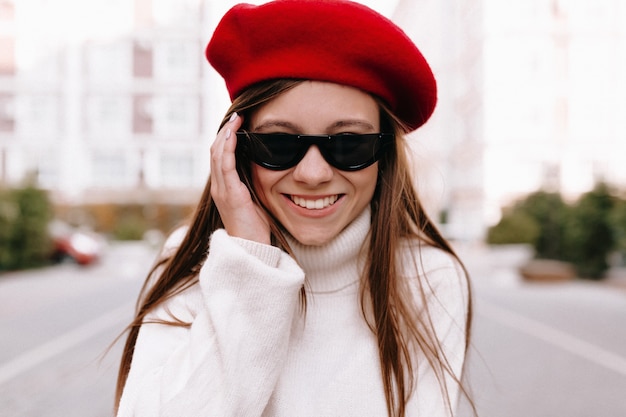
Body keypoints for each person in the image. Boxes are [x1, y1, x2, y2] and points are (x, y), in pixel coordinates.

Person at [115, 1, 474, 416]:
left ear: (384, 154)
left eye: (348, 144)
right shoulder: (192, 262)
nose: (314, 173)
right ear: (234, 149)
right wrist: (250, 264)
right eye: (279, 144)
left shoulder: (428, 279)